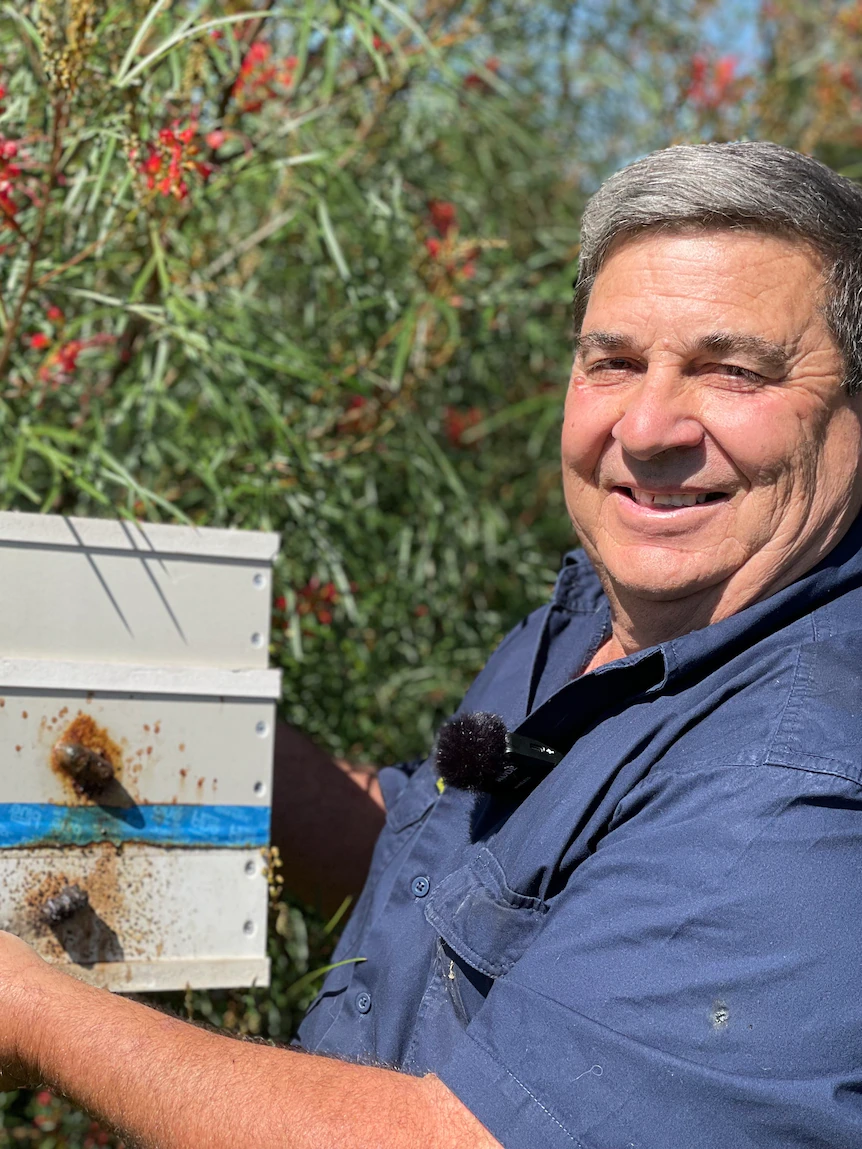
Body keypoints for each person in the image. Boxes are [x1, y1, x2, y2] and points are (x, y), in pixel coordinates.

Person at [3, 139, 862, 1149]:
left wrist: (28, 1007)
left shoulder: (788, 787)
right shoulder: (603, 618)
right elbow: (442, 863)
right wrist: (143, 736)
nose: (647, 426)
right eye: (614, 362)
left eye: (733, 371)